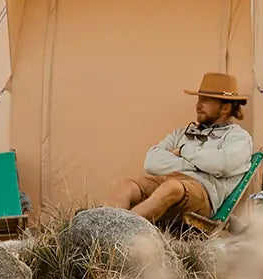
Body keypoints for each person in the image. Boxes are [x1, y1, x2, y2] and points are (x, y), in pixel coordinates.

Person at [107, 72, 253, 224]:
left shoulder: (238, 138)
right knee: (125, 186)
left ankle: (122, 229)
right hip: (168, 180)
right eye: (198, 100)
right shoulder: (182, 133)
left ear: (225, 108)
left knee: (171, 188)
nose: (198, 106)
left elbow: (221, 164)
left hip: (204, 194)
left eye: (205, 100)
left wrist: (183, 151)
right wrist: (198, 165)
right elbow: (151, 162)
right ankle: (101, 228)